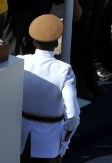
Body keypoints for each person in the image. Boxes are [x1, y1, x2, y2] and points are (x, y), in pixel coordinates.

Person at [18, 14, 80, 162]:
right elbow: (73, 116)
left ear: (33, 42)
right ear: (56, 43)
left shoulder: (20, 62)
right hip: (49, 143)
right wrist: (64, 142)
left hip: (19, 137)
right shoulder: (65, 71)